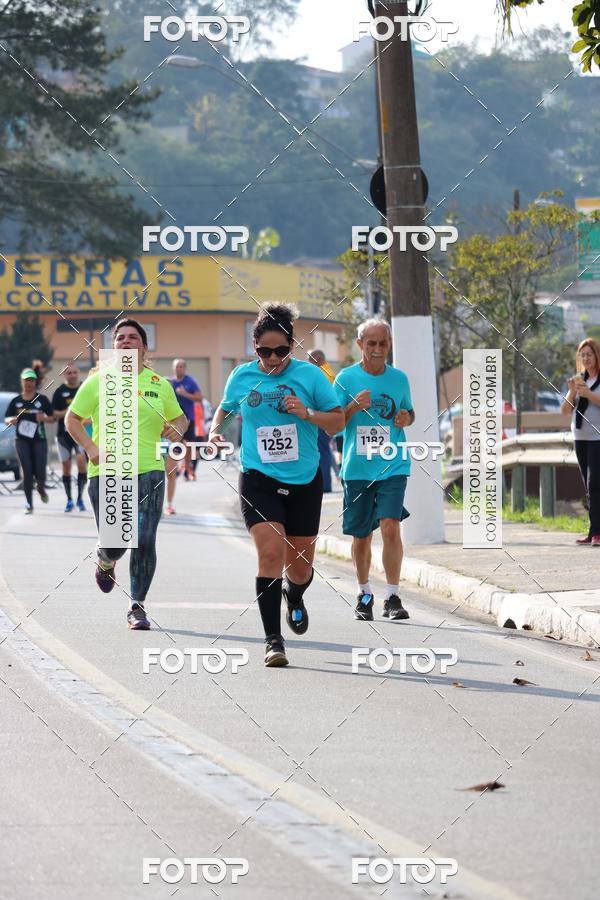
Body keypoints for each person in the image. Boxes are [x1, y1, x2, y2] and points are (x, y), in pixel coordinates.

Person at [209, 303, 344, 667]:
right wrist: (214, 432)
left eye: (281, 351)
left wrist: (306, 414)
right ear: (254, 346)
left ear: (292, 346)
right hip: (258, 479)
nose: (272, 358)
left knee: (299, 569)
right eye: (264, 351)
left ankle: (294, 595)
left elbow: (338, 423)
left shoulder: (311, 377)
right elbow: (224, 409)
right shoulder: (241, 376)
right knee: (270, 553)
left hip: (304, 482)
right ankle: (273, 641)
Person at [66, 319, 187, 630]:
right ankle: (106, 558)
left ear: (144, 347)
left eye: (133, 337)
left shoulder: (160, 384)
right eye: (120, 338)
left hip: (149, 470)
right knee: (118, 543)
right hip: (107, 472)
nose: (126, 342)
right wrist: (91, 448)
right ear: (114, 347)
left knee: (145, 539)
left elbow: (180, 420)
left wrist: (176, 430)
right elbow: (72, 419)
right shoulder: (97, 382)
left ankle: (137, 606)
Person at [333, 318, 414, 621]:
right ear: (360, 345)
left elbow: (408, 411)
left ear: (389, 344)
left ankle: (392, 596)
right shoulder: (345, 379)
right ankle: (364, 592)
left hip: (393, 462)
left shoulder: (399, 378)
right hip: (357, 468)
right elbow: (334, 423)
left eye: (383, 343)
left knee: (391, 526)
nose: (378, 349)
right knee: (362, 535)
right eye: (372, 343)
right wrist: (353, 406)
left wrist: (407, 417)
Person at [561, 337, 600, 545]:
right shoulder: (579, 380)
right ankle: (593, 531)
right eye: (582, 355)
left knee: (595, 484)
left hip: (597, 437)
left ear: (597, 356)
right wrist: (572, 392)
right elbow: (565, 411)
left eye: (589, 354)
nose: (586, 358)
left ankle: (597, 532)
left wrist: (588, 393)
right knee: (588, 485)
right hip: (580, 437)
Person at [5, 368, 54, 514]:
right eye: (26, 380)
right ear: (22, 382)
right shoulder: (16, 401)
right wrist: (11, 420)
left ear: (35, 382)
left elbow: (52, 417)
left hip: (39, 439)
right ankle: (29, 504)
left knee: (40, 471)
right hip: (22, 441)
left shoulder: (42, 400)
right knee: (27, 471)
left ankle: (40, 487)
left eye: (32, 380)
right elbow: (7, 418)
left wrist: (43, 418)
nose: (29, 383)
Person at [52, 365, 88, 512]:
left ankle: (80, 498)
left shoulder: (84, 388)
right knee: (66, 467)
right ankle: (69, 499)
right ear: (64, 375)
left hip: (81, 433)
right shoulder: (59, 392)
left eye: (74, 372)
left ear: (78, 373)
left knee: (80, 461)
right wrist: (68, 413)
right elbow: (54, 413)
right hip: (63, 435)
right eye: (69, 373)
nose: (72, 375)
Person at [307, 349, 336, 493]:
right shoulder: (328, 372)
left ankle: (323, 485)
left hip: (318, 417)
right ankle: (324, 484)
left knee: (321, 451)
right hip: (320, 417)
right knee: (323, 451)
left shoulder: (320, 374)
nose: (309, 360)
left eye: (311, 358)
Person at [170, 358, 203, 480]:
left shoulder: (190, 382)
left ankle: (187, 469)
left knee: (189, 445)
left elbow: (200, 397)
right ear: (173, 368)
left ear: (184, 368)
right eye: (176, 366)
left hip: (189, 419)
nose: (178, 368)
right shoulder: (170, 383)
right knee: (176, 445)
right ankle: (179, 467)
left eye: (180, 366)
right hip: (175, 420)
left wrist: (185, 394)